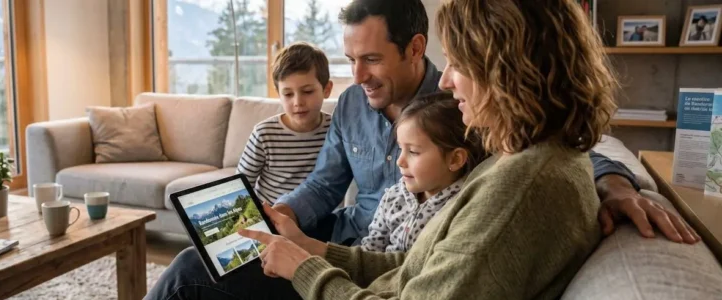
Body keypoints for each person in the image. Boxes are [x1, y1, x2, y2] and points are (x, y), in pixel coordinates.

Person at [145, 1, 699, 299]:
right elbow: (328, 186)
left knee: (193, 275)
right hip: (358, 249)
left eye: (371, 60)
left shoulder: (472, 126)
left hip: (351, 281)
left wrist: (617, 183)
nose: (354, 75)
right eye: (349, 59)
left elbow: (575, 154)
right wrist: (291, 223)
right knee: (205, 263)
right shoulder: (355, 108)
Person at [361, 92, 487, 252]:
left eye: (413, 151)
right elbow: (370, 251)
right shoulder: (393, 197)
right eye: (400, 148)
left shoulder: (461, 209)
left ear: (455, 159)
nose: (400, 161)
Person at [237, 42, 333, 204]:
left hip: (319, 220)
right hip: (273, 219)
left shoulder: (336, 130)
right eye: (288, 94)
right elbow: (240, 187)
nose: (298, 102)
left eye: (308, 92)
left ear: (326, 89)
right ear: (279, 94)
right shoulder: (264, 134)